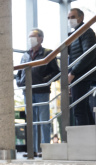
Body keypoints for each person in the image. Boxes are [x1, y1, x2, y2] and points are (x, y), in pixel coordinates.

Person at [15, 29, 60, 157]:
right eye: (29, 36)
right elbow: (19, 73)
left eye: (33, 36)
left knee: (43, 121)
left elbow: (56, 72)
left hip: (42, 91)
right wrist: (20, 82)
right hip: (27, 92)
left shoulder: (47, 53)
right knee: (31, 122)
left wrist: (44, 80)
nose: (30, 39)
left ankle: (46, 150)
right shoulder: (25, 55)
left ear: (41, 38)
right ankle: (33, 150)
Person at [67, 8, 96, 126]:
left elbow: (88, 54)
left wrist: (73, 72)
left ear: (81, 17)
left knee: (79, 110)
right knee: (83, 109)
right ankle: (90, 139)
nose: (70, 20)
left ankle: (83, 141)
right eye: (68, 18)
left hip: (82, 75)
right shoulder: (75, 34)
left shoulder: (86, 32)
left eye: (73, 17)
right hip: (78, 75)